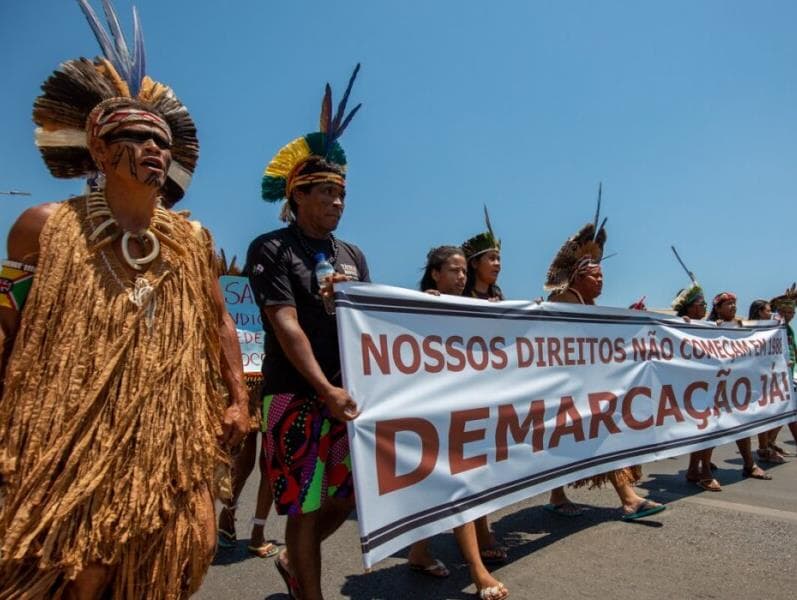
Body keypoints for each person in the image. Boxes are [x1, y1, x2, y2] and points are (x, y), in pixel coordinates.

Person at [0, 3, 249, 598]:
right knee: (81, 566)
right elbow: (7, 324)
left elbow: (219, 322)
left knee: (180, 553)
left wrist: (239, 397)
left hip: (171, 427)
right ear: (100, 150)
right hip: (72, 429)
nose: (154, 149)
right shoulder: (42, 227)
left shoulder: (192, 241)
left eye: (160, 140)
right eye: (135, 137)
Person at [247, 66, 368, 600]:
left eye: (342, 195)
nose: (337, 204)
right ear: (297, 196)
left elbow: (372, 321)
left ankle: (297, 566)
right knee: (303, 502)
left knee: (344, 499)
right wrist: (324, 388)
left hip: (346, 396)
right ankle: (310, 593)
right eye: (325, 194)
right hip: (295, 395)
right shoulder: (271, 249)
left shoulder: (354, 255)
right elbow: (286, 323)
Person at [542, 195, 665, 521]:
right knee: (592, 437)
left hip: (587, 387)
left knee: (597, 436)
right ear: (579, 277)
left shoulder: (588, 305)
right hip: (563, 388)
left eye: (602, 275)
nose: (601, 280)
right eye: (595, 276)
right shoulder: (563, 300)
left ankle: (615, 497)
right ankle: (625, 498)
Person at [408, 246, 509, 600]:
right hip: (434, 411)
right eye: (453, 271)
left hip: (464, 409)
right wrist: (425, 304)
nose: (461, 277)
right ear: (435, 274)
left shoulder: (471, 304)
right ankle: (478, 570)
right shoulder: (420, 303)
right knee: (459, 482)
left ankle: (419, 551)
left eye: (464, 271)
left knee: (450, 482)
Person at [215, 254, 279, 559]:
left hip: (275, 381)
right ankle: (228, 513)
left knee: (271, 462)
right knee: (244, 458)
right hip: (246, 385)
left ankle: (258, 530)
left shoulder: (279, 291)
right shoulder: (228, 291)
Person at [708, 292, 771, 482]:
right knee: (711, 427)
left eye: (734, 303)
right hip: (717, 384)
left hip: (737, 385)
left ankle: (749, 464)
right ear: (718, 309)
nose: (733, 307)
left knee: (741, 424)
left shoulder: (742, 326)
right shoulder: (709, 328)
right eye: (728, 304)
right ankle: (702, 464)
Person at [672, 283, 723, 491]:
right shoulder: (677, 325)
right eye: (701, 303)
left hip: (705, 385)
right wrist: (680, 325)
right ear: (690, 307)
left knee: (704, 428)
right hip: (685, 387)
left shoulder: (707, 326)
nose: (704, 307)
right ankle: (704, 473)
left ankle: (695, 469)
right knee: (706, 427)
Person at [748, 300, 787, 465]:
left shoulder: (772, 328)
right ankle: (763, 449)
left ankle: (765, 446)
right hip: (753, 378)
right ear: (759, 312)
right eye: (768, 311)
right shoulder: (747, 326)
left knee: (770, 412)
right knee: (761, 414)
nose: (771, 313)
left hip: (768, 377)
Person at [770, 285, 797, 451]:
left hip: (788, 375)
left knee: (786, 412)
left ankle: (769, 443)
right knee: (788, 412)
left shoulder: (789, 329)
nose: (789, 316)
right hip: (775, 377)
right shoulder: (773, 327)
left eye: (792, 313)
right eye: (785, 312)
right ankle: (766, 445)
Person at [462, 206, 504, 301]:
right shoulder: (459, 297)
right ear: (474, 263)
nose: (497, 264)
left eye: (498, 259)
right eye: (492, 258)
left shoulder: (500, 299)